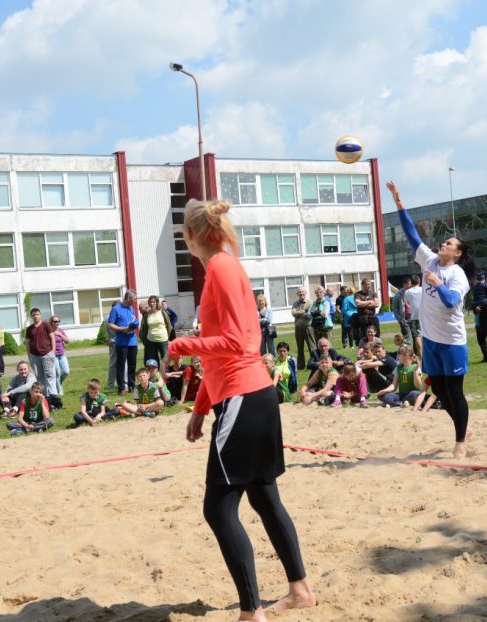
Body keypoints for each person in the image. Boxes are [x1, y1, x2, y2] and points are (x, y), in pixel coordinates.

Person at [166, 197, 315, 621]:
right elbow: (226, 353)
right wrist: (199, 406)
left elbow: (239, 344)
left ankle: (252, 613)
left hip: (244, 398)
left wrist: (180, 345)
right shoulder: (223, 266)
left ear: (192, 235)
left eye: (183, 236)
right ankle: (300, 591)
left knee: (218, 509)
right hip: (248, 395)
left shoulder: (221, 267)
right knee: (265, 499)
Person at [388, 180, 474, 459]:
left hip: (452, 341)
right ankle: (464, 427)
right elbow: (412, 235)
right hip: (432, 340)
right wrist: (398, 203)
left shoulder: (456, 275)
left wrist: (437, 282)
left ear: (457, 253)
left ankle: (460, 441)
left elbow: (451, 302)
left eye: (448, 243)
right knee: (438, 388)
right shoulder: (429, 260)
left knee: (455, 392)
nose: (443, 244)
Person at [108, 290, 140, 395]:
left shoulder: (131, 309)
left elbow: (133, 321)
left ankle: (131, 386)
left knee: (132, 365)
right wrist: (122, 329)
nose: (135, 301)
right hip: (121, 342)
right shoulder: (116, 309)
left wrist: (133, 327)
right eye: (134, 299)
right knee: (121, 365)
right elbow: (110, 324)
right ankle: (121, 388)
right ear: (128, 298)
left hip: (133, 341)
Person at [25, 308, 57, 396]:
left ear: (40, 315)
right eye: (34, 315)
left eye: (37, 314)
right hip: (34, 356)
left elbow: (52, 337)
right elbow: (27, 343)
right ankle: (45, 396)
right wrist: (29, 356)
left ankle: (53, 396)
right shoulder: (29, 329)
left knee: (50, 376)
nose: (36, 316)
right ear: (31, 316)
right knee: (39, 377)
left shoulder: (46, 325)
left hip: (47, 354)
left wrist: (53, 351)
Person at [140, 295, 173, 366]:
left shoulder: (162, 312)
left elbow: (169, 326)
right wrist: (145, 339)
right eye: (150, 302)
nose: (152, 303)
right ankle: (156, 376)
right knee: (153, 362)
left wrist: (167, 336)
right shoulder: (147, 314)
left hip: (163, 339)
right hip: (151, 340)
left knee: (165, 359)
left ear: (157, 303)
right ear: (148, 303)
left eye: (153, 302)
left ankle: (166, 375)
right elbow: (144, 328)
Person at [290, 287, 314, 370]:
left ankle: (313, 363)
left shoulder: (310, 302)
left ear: (306, 293)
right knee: (299, 348)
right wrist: (304, 311)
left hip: (308, 327)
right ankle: (300, 365)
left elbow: (309, 315)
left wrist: (299, 314)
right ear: (297, 294)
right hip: (298, 328)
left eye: (302, 292)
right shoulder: (295, 304)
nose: (301, 293)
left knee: (312, 347)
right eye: (299, 292)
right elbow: (293, 313)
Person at [354, 278, 381, 342]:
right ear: (363, 285)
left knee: (376, 333)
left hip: (372, 317)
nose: (369, 286)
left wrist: (363, 304)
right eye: (368, 284)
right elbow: (358, 303)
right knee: (364, 334)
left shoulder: (373, 293)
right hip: (363, 317)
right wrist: (370, 302)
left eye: (370, 284)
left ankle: (376, 346)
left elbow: (377, 304)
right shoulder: (357, 294)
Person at [50, 315, 70, 395]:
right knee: (57, 373)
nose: (57, 323)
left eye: (58, 321)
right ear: (51, 322)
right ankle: (59, 390)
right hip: (53, 355)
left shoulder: (60, 331)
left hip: (62, 355)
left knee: (66, 372)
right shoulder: (49, 331)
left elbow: (68, 341)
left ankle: (58, 383)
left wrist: (60, 335)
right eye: (55, 321)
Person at [405, 275, 423, 357]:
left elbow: (407, 302)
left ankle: (420, 354)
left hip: (414, 316)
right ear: (419, 281)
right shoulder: (423, 290)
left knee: (417, 336)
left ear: (411, 283)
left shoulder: (407, 292)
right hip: (425, 316)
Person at [392, 277, 412, 342]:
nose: (410, 285)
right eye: (409, 284)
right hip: (404, 319)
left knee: (416, 337)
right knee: (406, 338)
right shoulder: (398, 295)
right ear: (404, 284)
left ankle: (417, 352)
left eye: (410, 284)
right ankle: (406, 351)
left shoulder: (413, 292)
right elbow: (394, 308)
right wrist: (399, 319)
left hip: (413, 318)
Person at [105, 302, 118, 392]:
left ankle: (111, 384)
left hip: (111, 342)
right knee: (118, 364)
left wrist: (108, 340)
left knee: (112, 364)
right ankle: (113, 384)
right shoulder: (112, 318)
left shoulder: (106, 318)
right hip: (115, 343)